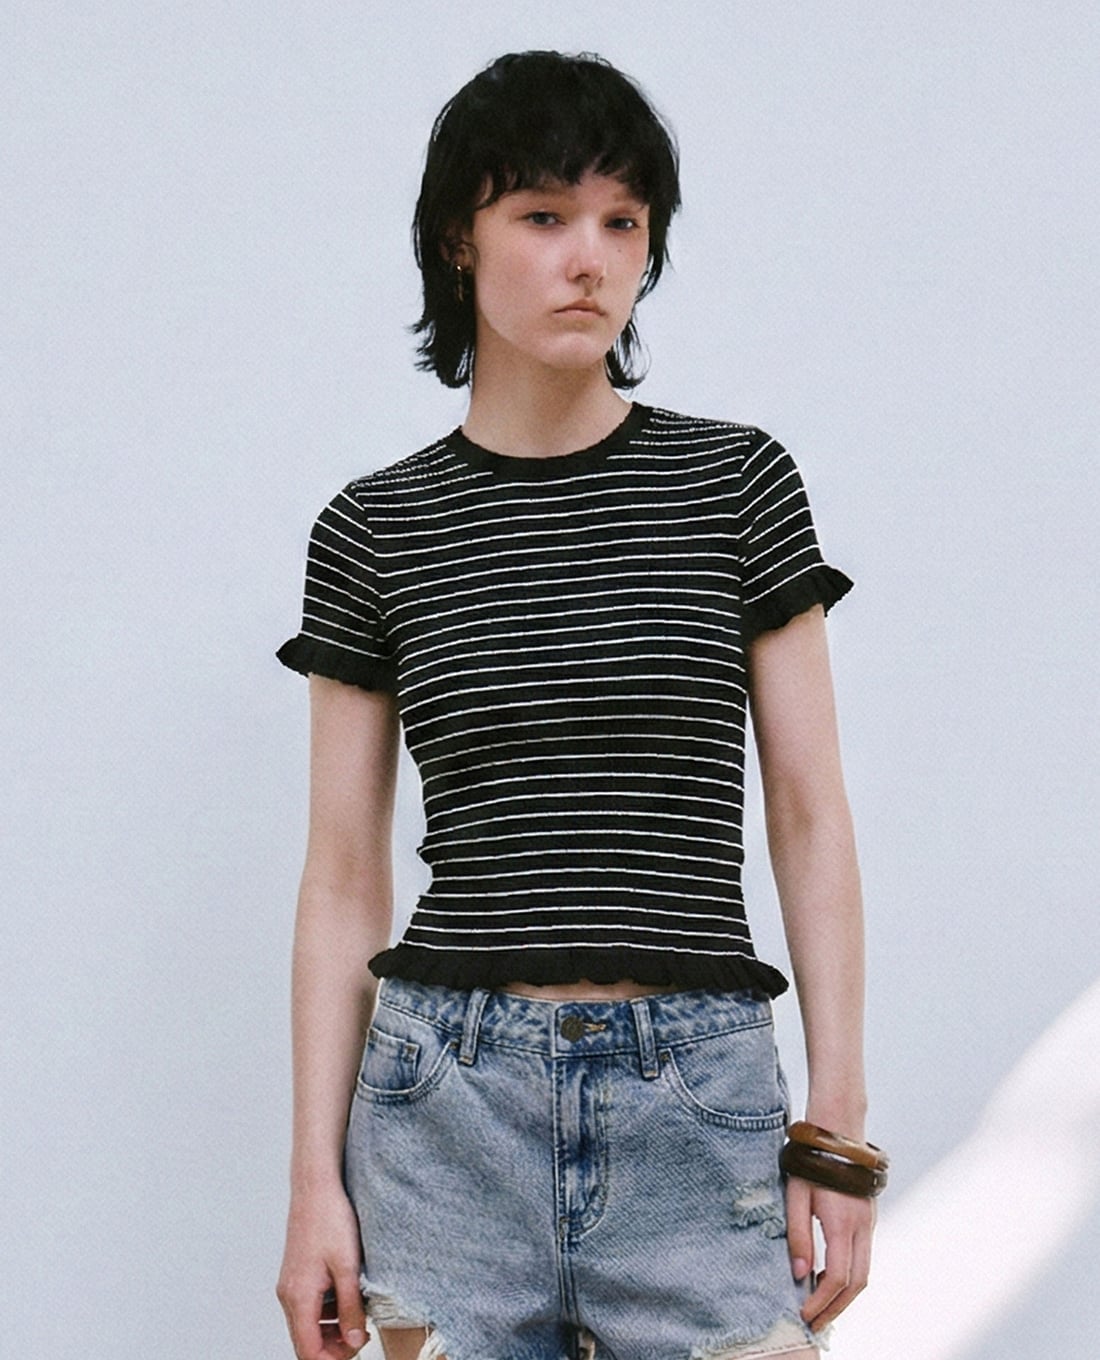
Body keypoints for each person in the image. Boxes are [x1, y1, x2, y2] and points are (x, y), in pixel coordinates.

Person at [275, 50, 880, 1360]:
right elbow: (341, 875)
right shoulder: (375, 529)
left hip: (699, 1099)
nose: (589, 259)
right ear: (460, 238)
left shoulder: (736, 487)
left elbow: (810, 815)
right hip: (445, 1110)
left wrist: (836, 1134)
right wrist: (314, 1183)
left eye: (622, 222)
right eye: (544, 215)